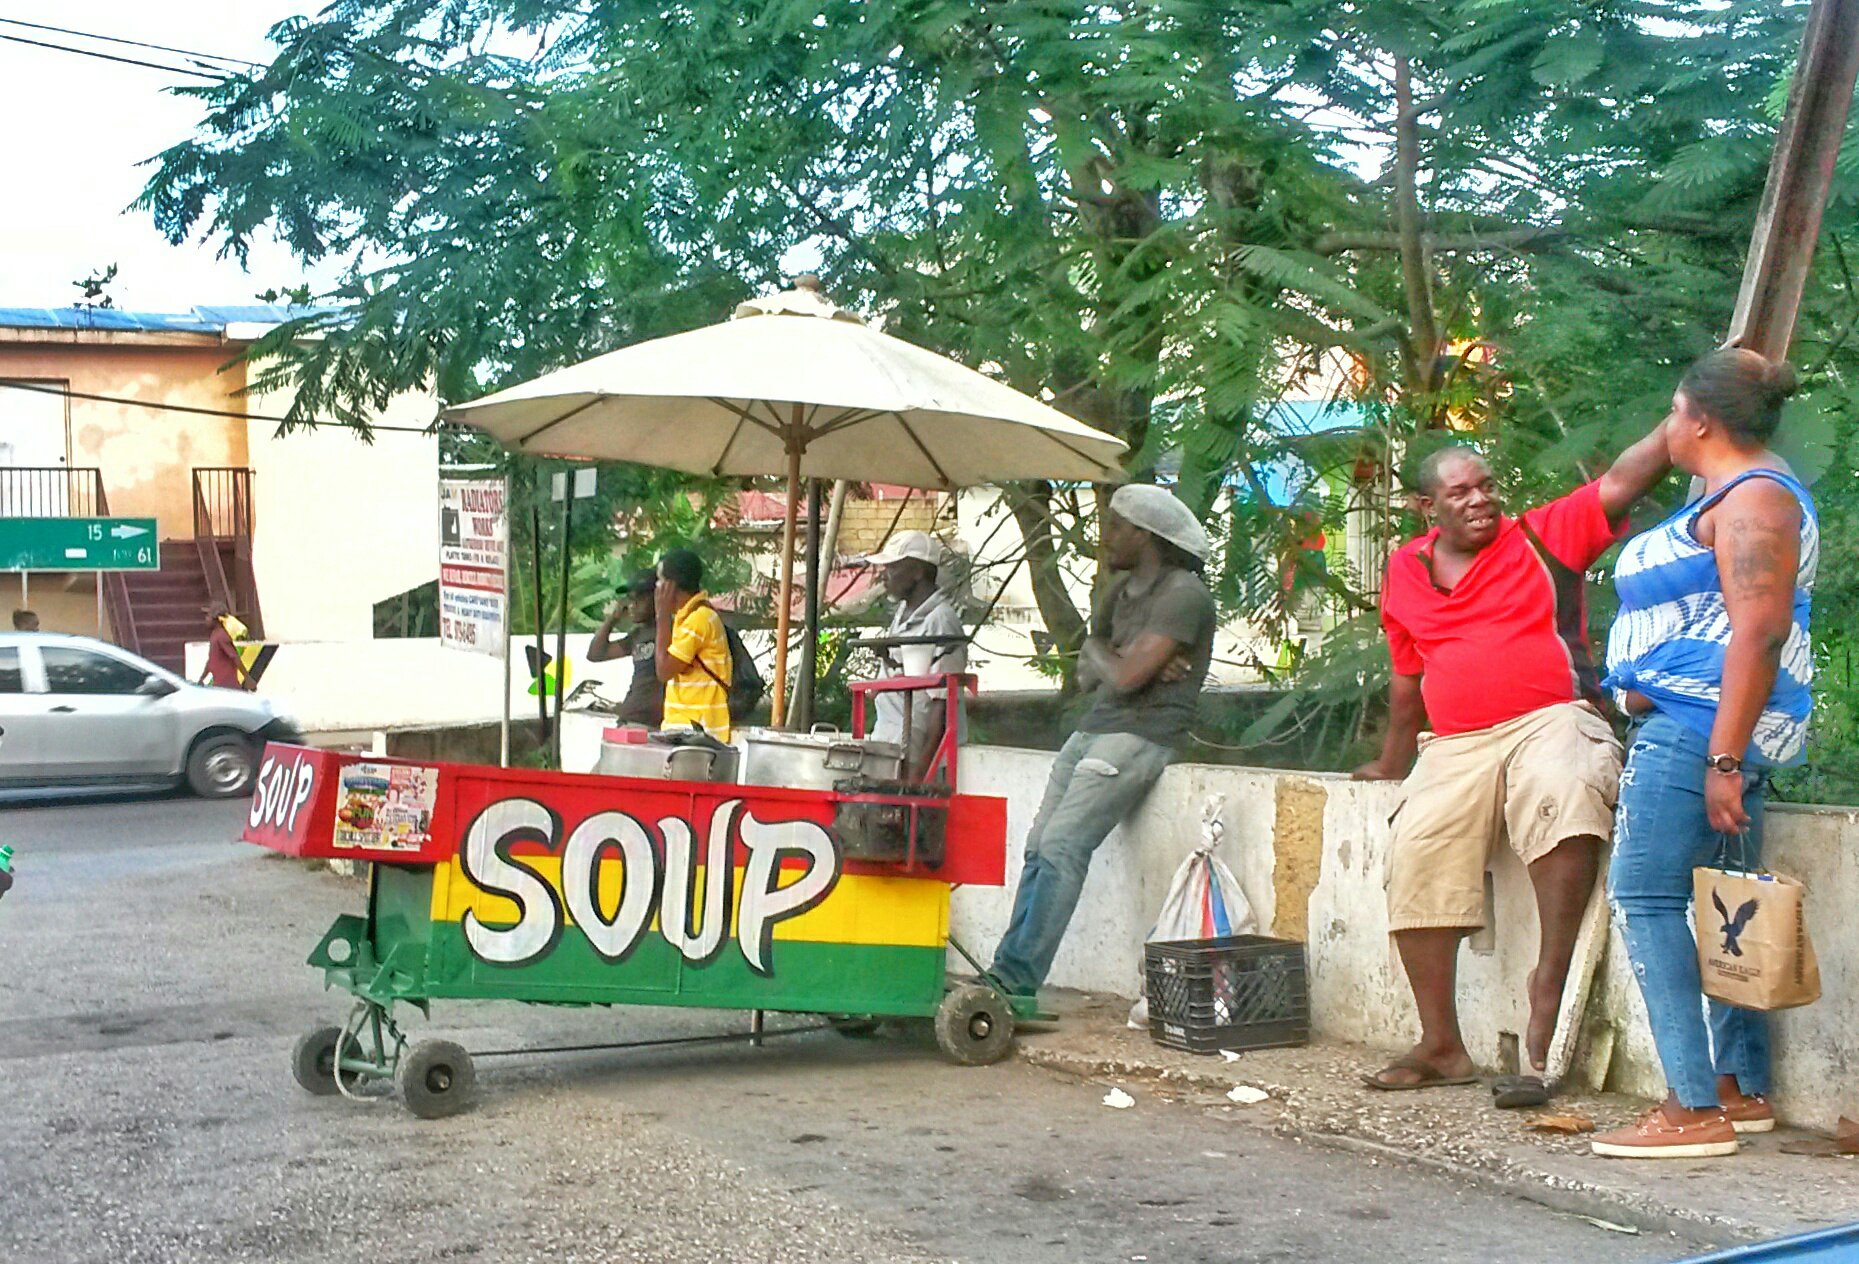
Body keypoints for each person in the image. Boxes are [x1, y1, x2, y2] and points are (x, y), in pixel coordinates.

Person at [1355, 429, 1672, 1103]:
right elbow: (1407, 678)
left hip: (1551, 716)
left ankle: (1547, 979)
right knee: (1413, 848)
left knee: (1563, 787)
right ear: (1424, 507)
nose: (1479, 501)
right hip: (1455, 741)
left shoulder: (1540, 535)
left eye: (1486, 486)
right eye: (1459, 492)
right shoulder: (1405, 568)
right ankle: (1440, 1044)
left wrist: (1690, 414)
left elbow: (1621, 478)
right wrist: (1388, 761)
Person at [1591, 350, 1815, 1160]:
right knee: (1728, 900)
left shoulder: (1753, 499)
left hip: (1696, 730)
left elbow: (1759, 629)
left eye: (1673, 411)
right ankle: (1737, 1087)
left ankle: (1691, 1106)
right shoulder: (1742, 488)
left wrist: (1722, 760)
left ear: (1698, 421)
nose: (1666, 426)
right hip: (1707, 726)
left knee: (1644, 899)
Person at [987, 484, 1215, 998]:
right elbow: (1094, 674)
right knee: (1038, 846)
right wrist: (1107, 654)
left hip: (1138, 735)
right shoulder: (1119, 593)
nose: (1106, 537)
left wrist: (1119, 661)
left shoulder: (1184, 595)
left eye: (1116, 527)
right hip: (1095, 728)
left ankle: (1017, 980)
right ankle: (1005, 970)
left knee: (1063, 845)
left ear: (1146, 535)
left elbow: (1126, 677)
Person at [866, 531, 967, 782]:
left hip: (915, 748)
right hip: (889, 738)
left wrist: (919, 777)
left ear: (918, 571)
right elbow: (912, 670)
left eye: (893, 567)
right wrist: (889, 659)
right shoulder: (904, 611)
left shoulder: (941, 619)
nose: (884, 576)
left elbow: (942, 703)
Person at [654, 548, 733, 742]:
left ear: (671, 586)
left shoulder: (698, 620)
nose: (656, 587)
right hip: (685, 726)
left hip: (696, 731)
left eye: (660, 580)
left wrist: (662, 616)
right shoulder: (689, 617)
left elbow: (664, 670)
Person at [587, 569, 664, 727]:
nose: (632, 606)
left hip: (654, 723)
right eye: (630, 600)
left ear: (657, 597)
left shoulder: (671, 630)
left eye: (639, 600)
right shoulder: (638, 635)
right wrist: (612, 619)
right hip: (630, 718)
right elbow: (596, 654)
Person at [202, 606, 251, 690]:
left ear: (217, 619)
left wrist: (248, 679)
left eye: (208, 616)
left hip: (227, 686)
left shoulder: (221, 636)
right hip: (219, 685)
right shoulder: (215, 635)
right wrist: (201, 679)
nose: (206, 619)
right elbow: (211, 660)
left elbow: (235, 657)